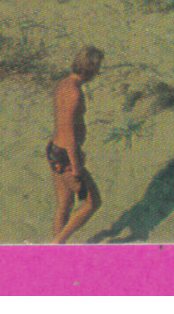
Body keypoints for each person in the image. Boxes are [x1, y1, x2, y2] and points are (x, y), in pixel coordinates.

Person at [48, 46, 104, 243]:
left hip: (55, 149)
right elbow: (69, 131)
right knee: (92, 202)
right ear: (91, 68)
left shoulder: (63, 84)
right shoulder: (75, 93)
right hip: (66, 155)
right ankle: (58, 243)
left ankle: (57, 251)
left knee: (64, 204)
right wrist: (76, 166)